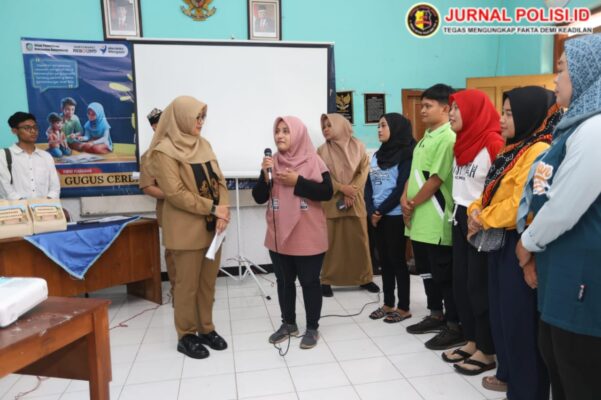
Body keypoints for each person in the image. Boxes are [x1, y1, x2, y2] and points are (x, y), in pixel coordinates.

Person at [516, 34, 601, 400]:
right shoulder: (576, 125)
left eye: (563, 69)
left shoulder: (596, 129)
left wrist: (527, 242)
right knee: (556, 357)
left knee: (577, 369)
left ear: (585, 74)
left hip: (582, 272)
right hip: (561, 266)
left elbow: (565, 204)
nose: (555, 79)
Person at [469, 87, 561, 399]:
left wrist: (483, 217)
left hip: (520, 242)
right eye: (503, 112)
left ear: (527, 115)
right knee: (502, 316)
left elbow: (524, 203)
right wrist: (475, 211)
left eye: (509, 113)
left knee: (520, 323)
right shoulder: (513, 149)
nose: (502, 119)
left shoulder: (539, 150)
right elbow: (490, 192)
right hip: (500, 239)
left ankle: (527, 391)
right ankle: (509, 376)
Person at [146, 96, 230, 359]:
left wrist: (223, 210)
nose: (201, 122)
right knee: (186, 286)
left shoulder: (204, 144)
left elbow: (220, 181)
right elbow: (175, 193)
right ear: (181, 118)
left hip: (213, 227)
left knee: (207, 284)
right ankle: (186, 335)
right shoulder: (163, 151)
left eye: (203, 117)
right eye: (197, 117)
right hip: (185, 229)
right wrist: (214, 208)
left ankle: (206, 328)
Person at [252, 116, 333, 349]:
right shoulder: (272, 163)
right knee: (284, 281)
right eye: (277, 131)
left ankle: (312, 328)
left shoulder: (313, 160)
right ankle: (288, 324)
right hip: (279, 235)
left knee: (309, 282)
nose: (280, 135)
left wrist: (298, 181)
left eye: (286, 131)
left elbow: (327, 192)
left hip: (308, 234)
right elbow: (259, 197)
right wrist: (264, 175)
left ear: (297, 134)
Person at [443, 89, 504, 375]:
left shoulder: (492, 142)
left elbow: (500, 188)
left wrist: (481, 215)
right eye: (451, 108)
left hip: (480, 221)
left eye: (456, 108)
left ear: (473, 111)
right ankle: (472, 340)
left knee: (479, 287)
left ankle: (487, 350)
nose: (451, 113)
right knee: (462, 284)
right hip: (460, 216)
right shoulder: (461, 142)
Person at [402, 84, 462, 350]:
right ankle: (435, 314)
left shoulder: (448, 137)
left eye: (428, 106)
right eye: (422, 105)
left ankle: (454, 324)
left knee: (444, 275)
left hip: (436, 218)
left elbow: (436, 179)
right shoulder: (426, 136)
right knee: (426, 271)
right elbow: (415, 174)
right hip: (419, 218)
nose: (422, 110)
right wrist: (404, 199)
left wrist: (412, 203)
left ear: (446, 108)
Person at [317, 113, 379, 297]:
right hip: (332, 200)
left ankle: (365, 278)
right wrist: (342, 188)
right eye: (324, 126)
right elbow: (322, 175)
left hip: (355, 199)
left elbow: (364, 170)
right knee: (331, 243)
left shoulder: (359, 146)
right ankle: (327, 280)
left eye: (329, 125)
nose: (326, 129)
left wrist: (352, 190)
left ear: (341, 126)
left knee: (360, 241)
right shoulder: (321, 151)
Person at [366, 113, 413, 323]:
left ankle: (403, 307)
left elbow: (401, 187)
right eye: (378, 126)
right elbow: (368, 184)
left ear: (396, 128)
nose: (379, 130)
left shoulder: (405, 155)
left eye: (383, 126)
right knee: (384, 261)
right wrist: (371, 210)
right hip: (377, 216)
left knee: (397, 261)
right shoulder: (377, 155)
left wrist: (380, 211)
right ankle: (387, 303)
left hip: (393, 216)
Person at [139, 108, 175, 301]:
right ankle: (178, 291)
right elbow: (147, 187)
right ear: (154, 127)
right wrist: (175, 196)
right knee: (174, 251)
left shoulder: (186, 149)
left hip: (194, 209)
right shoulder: (149, 156)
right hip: (170, 210)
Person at [0, 112, 60, 200]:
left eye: (35, 127)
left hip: (45, 207)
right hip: (16, 207)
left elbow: (55, 188)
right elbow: (5, 188)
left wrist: (46, 204)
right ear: (14, 131)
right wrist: (27, 205)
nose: (33, 131)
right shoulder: (3, 155)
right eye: (27, 128)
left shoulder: (46, 156)